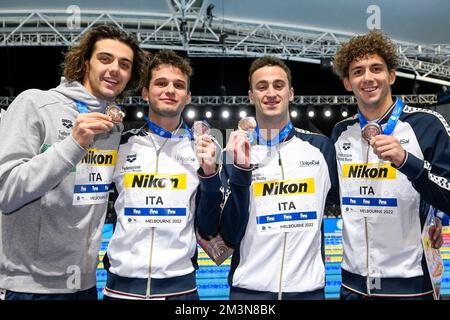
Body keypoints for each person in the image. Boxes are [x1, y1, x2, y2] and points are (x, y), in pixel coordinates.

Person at [0, 24, 147, 300]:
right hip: (30, 287)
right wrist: (73, 143)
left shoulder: (112, 127)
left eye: (124, 64)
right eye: (105, 58)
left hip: (84, 285)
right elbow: (6, 192)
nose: (115, 68)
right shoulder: (35, 104)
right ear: (84, 62)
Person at [330, 30, 450, 300]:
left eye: (376, 68)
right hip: (352, 285)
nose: (368, 78)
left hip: (410, 285)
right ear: (348, 83)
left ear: (392, 76)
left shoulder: (426, 125)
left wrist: (408, 162)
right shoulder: (341, 132)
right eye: (358, 71)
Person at [102, 50, 222, 300]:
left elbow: (209, 225)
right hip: (121, 289)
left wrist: (211, 174)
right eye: (161, 83)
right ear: (145, 92)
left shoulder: (202, 149)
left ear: (187, 96)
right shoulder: (120, 145)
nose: (170, 90)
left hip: (181, 290)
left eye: (178, 85)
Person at [220, 56, 338, 300]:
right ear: (251, 96)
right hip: (249, 293)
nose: (271, 93)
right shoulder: (233, 154)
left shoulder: (321, 148)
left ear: (291, 93)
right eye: (262, 87)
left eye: (278, 85)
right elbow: (228, 235)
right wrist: (240, 171)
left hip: (308, 292)